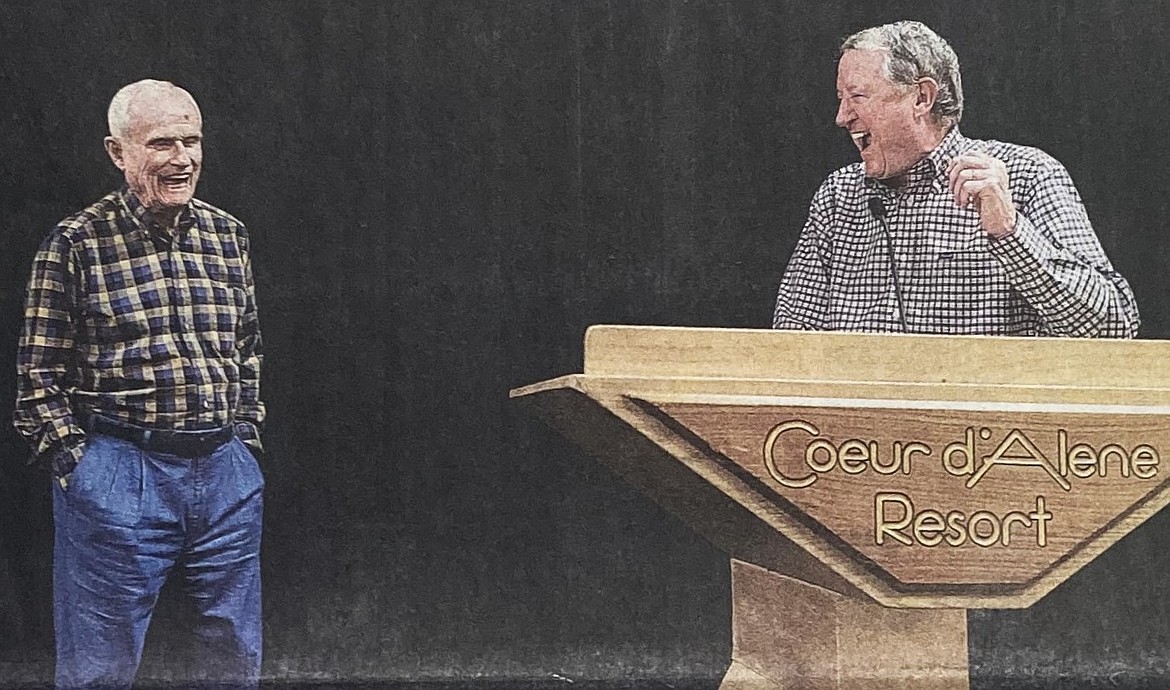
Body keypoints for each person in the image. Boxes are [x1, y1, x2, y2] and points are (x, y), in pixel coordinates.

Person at [13, 80, 266, 688]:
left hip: (224, 474)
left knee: (233, 661)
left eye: (192, 141)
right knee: (98, 669)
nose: (182, 159)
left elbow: (248, 349)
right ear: (117, 152)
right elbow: (37, 381)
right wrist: (83, 470)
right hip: (121, 473)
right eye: (161, 143)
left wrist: (246, 441)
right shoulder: (75, 245)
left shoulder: (228, 236)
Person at [772, 21, 1139, 337]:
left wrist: (1011, 234)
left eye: (857, 97)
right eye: (840, 99)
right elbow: (791, 342)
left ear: (921, 98)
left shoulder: (1026, 174)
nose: (842, 117)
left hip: (982, 417)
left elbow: (1112, 327)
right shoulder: (838, 197)